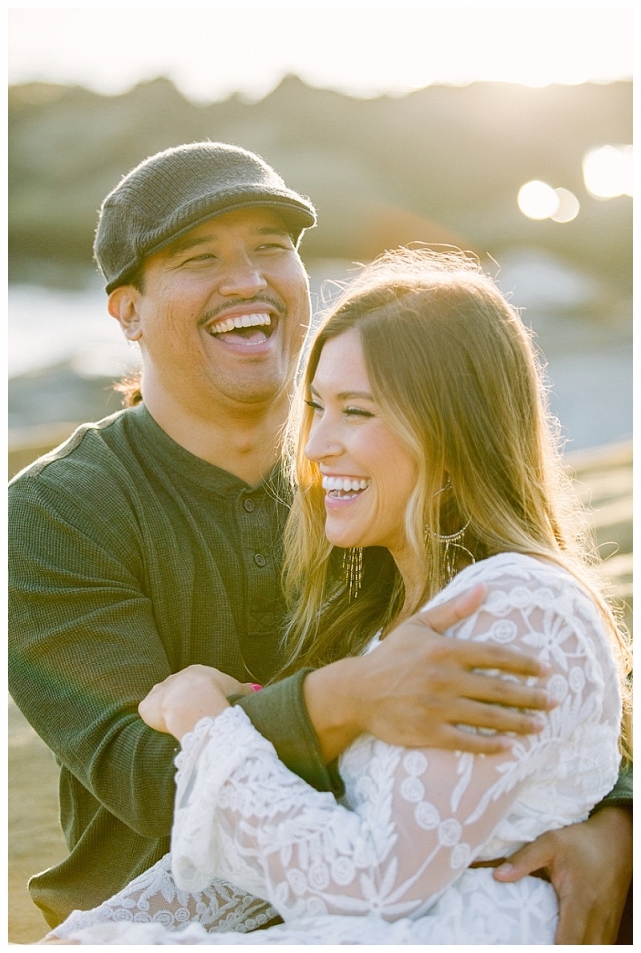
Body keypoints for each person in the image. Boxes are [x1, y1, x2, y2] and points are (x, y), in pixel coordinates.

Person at [8, 143, 631, 942]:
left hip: (409, 894)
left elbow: (538, 658)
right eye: (200, 257)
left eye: (272, 247)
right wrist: (354, 695)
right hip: (179, 913)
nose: (247, 279)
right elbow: (145, 772)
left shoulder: (381, 482)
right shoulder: (55, 513)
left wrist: (618, 815)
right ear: (126, 312)